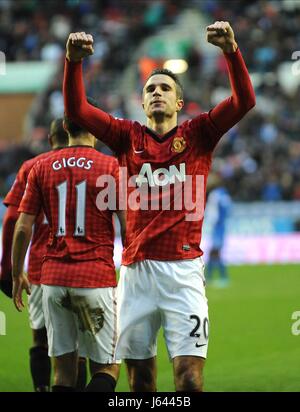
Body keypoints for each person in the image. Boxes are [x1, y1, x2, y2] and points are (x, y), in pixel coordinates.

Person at [63, 21, 256, 392]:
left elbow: (244, 101)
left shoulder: (198, 134)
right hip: (136, 276)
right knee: (140, 382)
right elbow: (78, 109)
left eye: (165, 88)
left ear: (178, 102)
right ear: (142, 101)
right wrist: (73, 63)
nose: (156, 92)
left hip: (183, 275)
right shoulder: (126, 136)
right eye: (150, 88)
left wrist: (232, 51)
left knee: (188, 379)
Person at [12, 105, 124, 392]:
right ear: (96, 130)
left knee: (63, 373)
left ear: (64, 127)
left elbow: (23, 227)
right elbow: (128, 226)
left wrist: (15, 274)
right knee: (107, 367)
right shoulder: (110, 167)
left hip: (53, 280)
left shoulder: (40, 167)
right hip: (94, 278)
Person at [0, 119, 80, 392]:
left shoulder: (31, 167)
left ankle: (42, 388)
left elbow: (12, 220)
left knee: (41, 338)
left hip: (40, 269)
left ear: (49, 139)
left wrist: (8, 268)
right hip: (82, 267)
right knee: (76, 344)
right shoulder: (91, 163)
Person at [205, 173, 232, 287]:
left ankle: (222, 277)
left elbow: (212, 213)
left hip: (216, 226)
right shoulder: (225, 194)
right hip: (222, 225)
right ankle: (210, 277)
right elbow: (229, 210)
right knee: (214, 252)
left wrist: (209, 223)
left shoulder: (214, 195)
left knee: (215, 252)